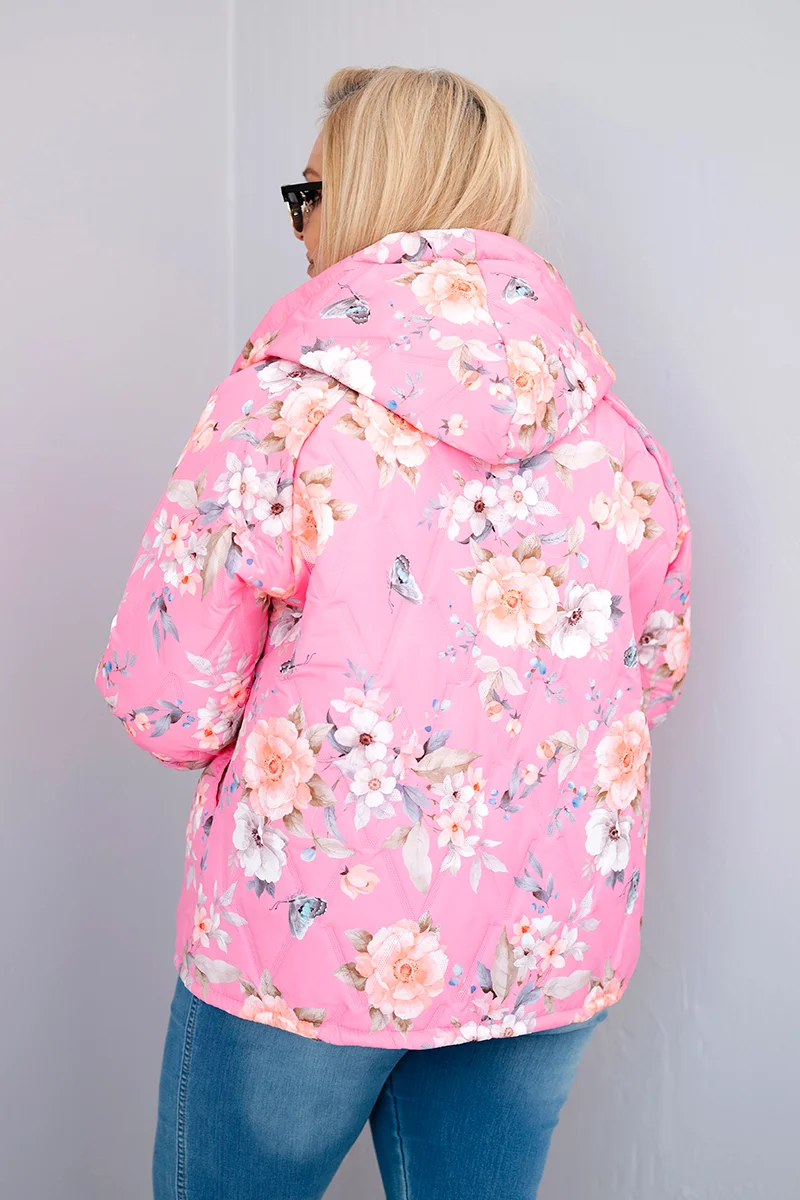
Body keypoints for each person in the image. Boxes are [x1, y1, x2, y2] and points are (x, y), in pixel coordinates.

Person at [96, 66, 691, 1200]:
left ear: (367, 194)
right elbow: (649, 673)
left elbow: (166, 701)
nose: (300, 226)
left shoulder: (281, 410)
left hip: (310, 949)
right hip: (543, 942)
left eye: (307, 194)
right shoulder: (612, 431)